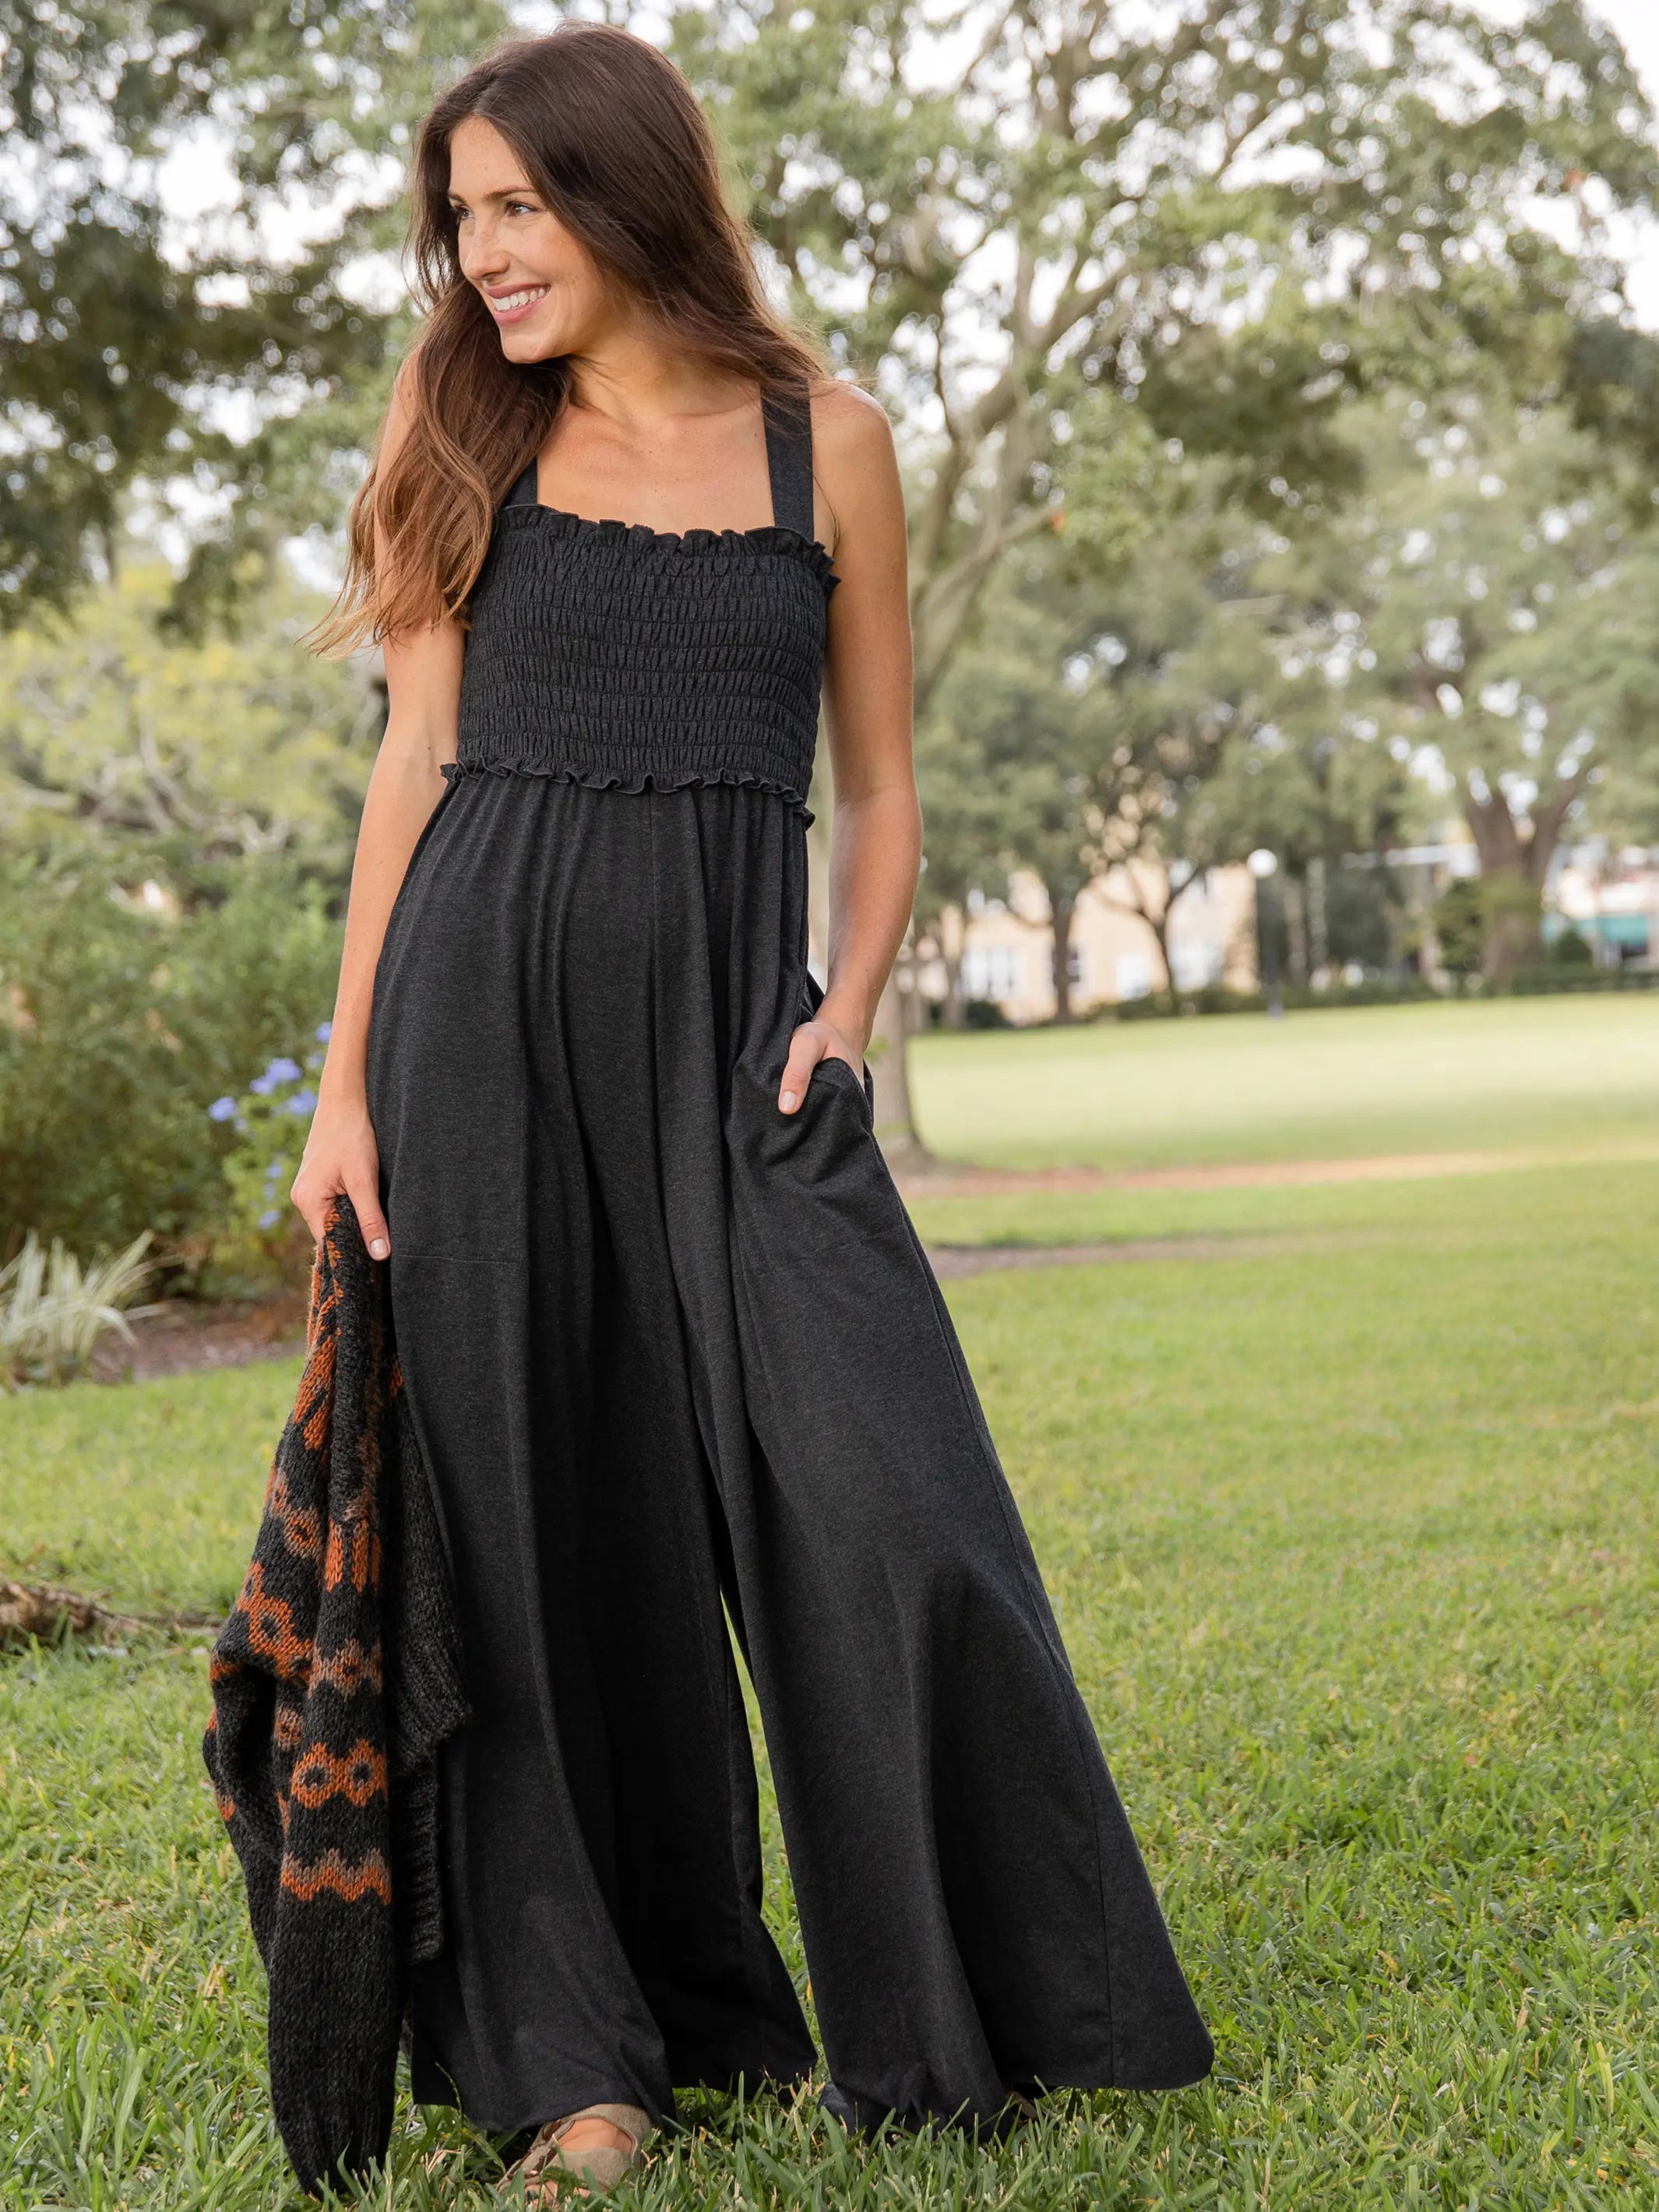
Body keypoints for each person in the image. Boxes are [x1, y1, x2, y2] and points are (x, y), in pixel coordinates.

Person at [294, 22, 1212, 2200]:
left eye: (520, 206)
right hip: (478, 1027)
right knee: (536, 1530)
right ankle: (583, 2062)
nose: (481, 251)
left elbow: (878, 784)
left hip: (739, 1043)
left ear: (629, 195)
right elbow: (412, 763)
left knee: (895, 1498)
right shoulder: (461, 421)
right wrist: (343, 1090)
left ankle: (973, 2020)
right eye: (461, 215)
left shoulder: (832, 446)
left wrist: (850, 1013)